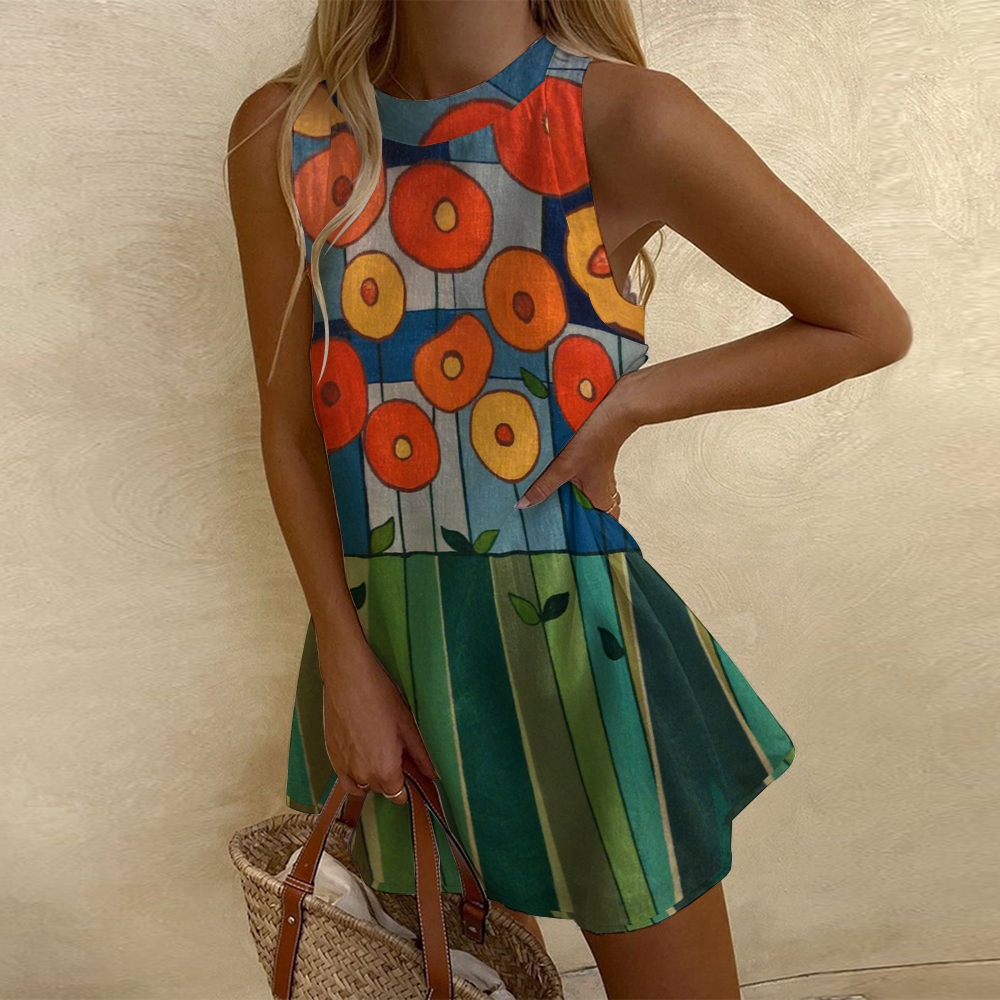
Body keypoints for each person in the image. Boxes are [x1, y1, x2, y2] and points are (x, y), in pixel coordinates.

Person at [226, 2, 911, 997]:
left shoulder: (628, 119)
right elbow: (289, 429)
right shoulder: (283, 132)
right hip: (388, 651)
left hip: (575, 653)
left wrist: (629, 403)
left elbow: (864, 324)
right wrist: (343, 654)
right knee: (478, 981)